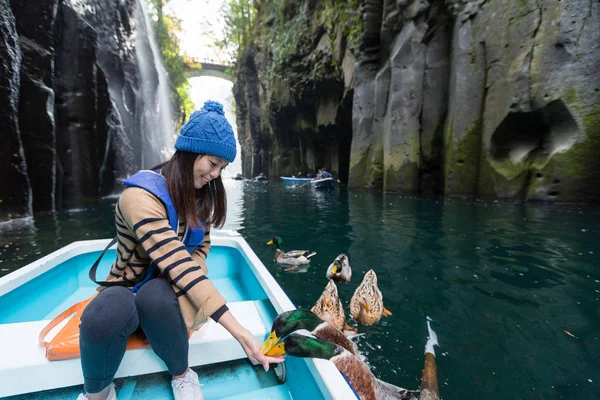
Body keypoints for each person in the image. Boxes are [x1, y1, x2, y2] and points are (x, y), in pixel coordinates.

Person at [77, 101, 284, 400]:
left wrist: (195, 267)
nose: (215, 174)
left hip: (170, 295)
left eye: (221, 168)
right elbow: (173, 258)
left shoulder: (204, 198)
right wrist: (240, 332)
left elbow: (201, 246)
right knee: (103, 314)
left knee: (156, 296)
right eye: (212, 164)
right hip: (127, 289)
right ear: (189, 152)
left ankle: (183, 374)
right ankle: (98, 395)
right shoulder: (138, 198)